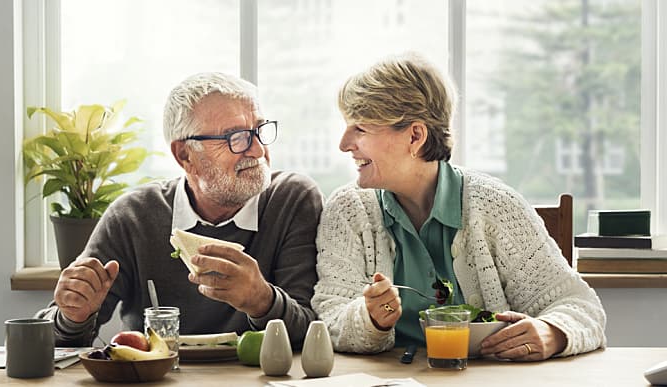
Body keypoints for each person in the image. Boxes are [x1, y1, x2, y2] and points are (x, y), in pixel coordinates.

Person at [311, 53, 606, 360]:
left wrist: (553, 331)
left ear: (415, 135)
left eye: (360, 129)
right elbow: (329, 317)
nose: (344, 144)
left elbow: (580, 306)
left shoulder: (497, 206)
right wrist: (369, 319)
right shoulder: (348, 210)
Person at [36, 72, 324, 348]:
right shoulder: (133, 216)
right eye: (236, 137)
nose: (258, 151)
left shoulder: (291, 199)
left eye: (259, 131)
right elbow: (54, 342)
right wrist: (72, 316)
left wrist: (261, 299)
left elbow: (312, 334)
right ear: (185, 155)